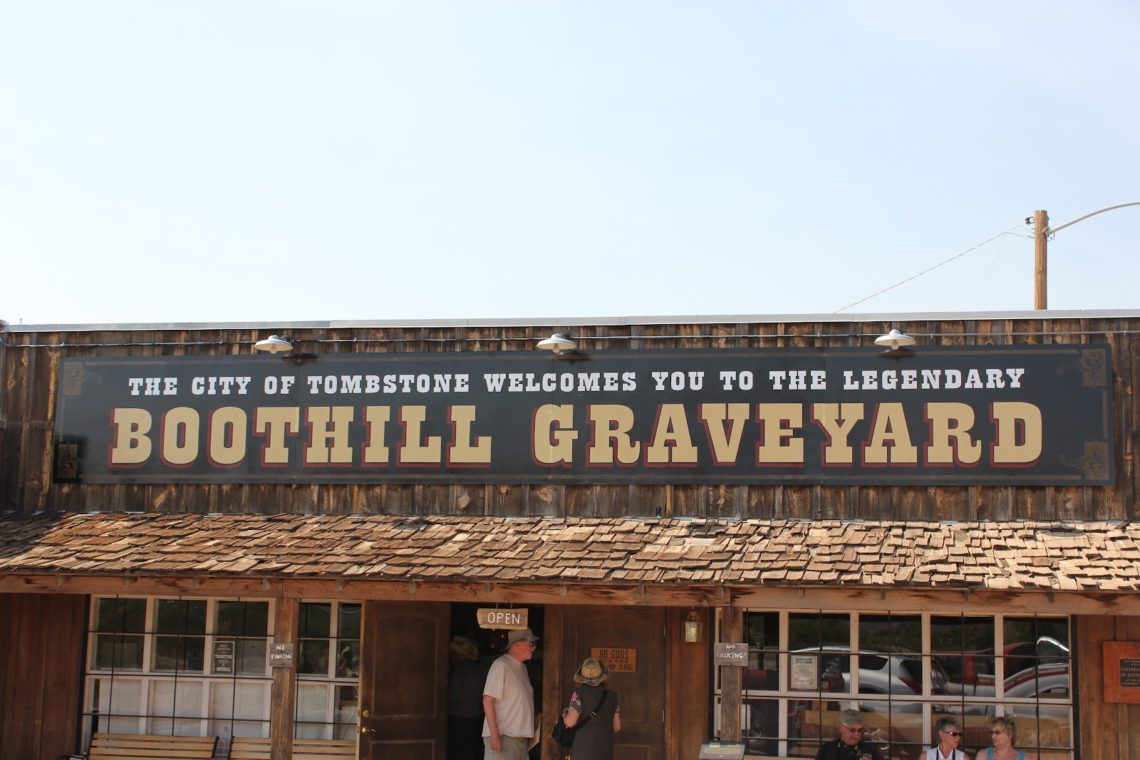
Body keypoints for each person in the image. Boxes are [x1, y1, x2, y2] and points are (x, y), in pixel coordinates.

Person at [483, 629, 539, 760]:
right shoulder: (501, 665)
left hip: (520, 739)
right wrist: (494, 734)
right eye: (531, 644)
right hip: (504, 737)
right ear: (517, 644)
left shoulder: (522, 668)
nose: (534, 647)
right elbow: (488, 700)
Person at [560, 657, 620, 760]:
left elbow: (570, 722)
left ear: (582, 677)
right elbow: (617, 727)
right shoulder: (612, 695)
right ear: (601, 676)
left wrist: (564, 715)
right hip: (605, 751)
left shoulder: (578, 693)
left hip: (583, 750)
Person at [448, 636, 486, 760]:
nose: (451, 657)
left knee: (459, 752)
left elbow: (452, 696)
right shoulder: (479, 670)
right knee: (471, 751)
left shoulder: (459, 671)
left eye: (453, 654)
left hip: (459, 719)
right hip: (475, 718)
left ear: (460, 655)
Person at [814, 709, 883, 760]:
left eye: (859, 730)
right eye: (852, 730)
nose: (857, 734)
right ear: (840, 728)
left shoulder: (870, 750)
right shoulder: (827, 749)